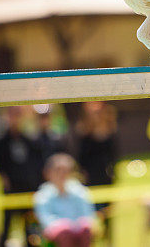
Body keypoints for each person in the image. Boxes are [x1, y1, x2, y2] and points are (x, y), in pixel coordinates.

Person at [0, 106, 43, 247]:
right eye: (12, 115)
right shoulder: (2, 141)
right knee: (6, 225)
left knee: (30, 227)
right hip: (11, 190)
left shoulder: (29, 140)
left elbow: (36, 163)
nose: (14, 119)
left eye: (17, 115)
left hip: (27, 188)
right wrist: (5, 183)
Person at [76, 101, 117, 244]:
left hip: (106, 179)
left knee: (108, 213)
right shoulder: (84, 134)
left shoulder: (110, 133)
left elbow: (114, 156)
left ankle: (108, 239)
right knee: (90, 213)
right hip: (91, 179)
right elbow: (81, 158)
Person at [34, 153, 95, 247]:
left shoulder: (79, 190)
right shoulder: (43, 195)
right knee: (64, 233)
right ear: (49, 173)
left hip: (79, 230)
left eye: (66, 171)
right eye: (58, 170)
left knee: (85, 231)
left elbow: (88, 215)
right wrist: (64, 226)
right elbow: (45, 220)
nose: (62, 174)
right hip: (57, 233)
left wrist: (77, 226)